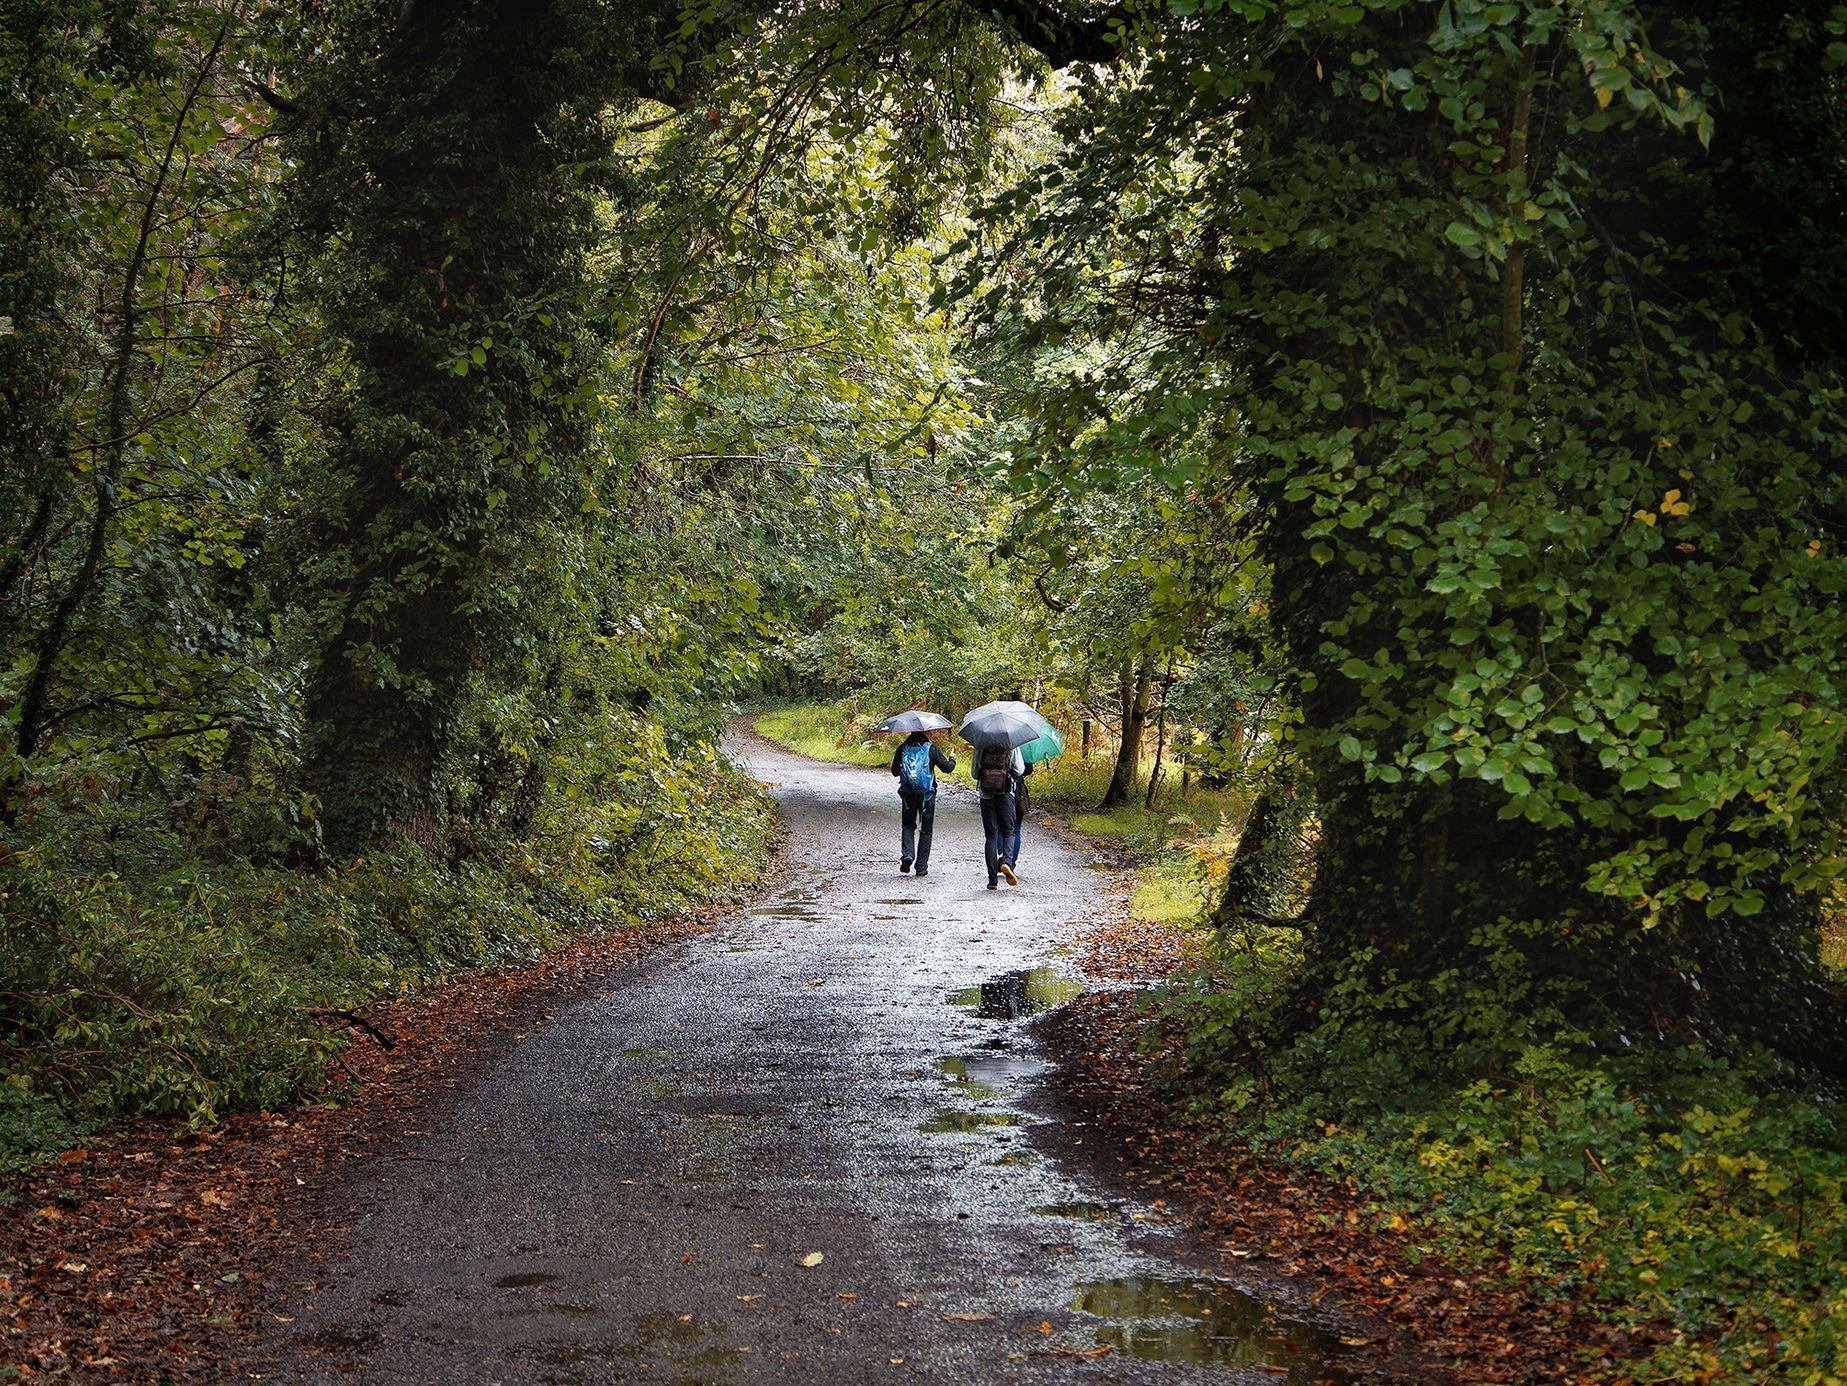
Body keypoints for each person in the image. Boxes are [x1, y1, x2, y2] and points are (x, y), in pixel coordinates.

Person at [891, 730, 955, 876]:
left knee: (908, 825)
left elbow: (894, 771)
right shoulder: (931, 748)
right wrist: (952, 758)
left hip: (908, 794)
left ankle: (907, 855)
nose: (932, 733)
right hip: (927, 795)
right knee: (925, 831)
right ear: (925, 731)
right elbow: (947, 768)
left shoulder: (902, 748)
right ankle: (921, 867)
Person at [972, 741, 1025, 889]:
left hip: (986, 794)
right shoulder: (1011, 742)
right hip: (1006, 793)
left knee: (991, 836)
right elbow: (1019, 769)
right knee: (1009, 831)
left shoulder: (980, 743)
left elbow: (974, 774)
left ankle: (992, 880)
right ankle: (1006, 862)